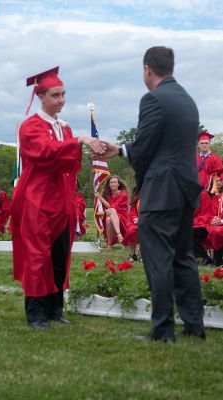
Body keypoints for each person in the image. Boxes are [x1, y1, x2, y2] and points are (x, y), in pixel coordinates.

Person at [98, 46, 205, 341]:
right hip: (185, 190)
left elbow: (144, 147)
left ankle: (162, 329)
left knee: (157, 258)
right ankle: (194, 327)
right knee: (183, 257)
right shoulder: (187, 100)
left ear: (147, 69)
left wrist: (119, 150)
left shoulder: (153, 99)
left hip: (162, 191)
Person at [12, 66, 105, 330]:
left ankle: (55, 309)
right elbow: (43, 153)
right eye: (55, 95)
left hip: (62, 200)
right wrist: (78, 142)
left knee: (59, 254)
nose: (61, 100)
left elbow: (67, 163)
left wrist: (80, 143)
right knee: (37, 255)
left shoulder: (64, 128)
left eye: (63, 94)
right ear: (41, 96)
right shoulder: (30, 126)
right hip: (37, 199)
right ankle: (36, 313)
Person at [194, 172, 223, 267]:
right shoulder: (208, 196)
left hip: (217, 226)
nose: (218, 183)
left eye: (221, 181)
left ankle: (217, 261)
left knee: (217, 232)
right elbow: (200, 212)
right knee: (189, 232)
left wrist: (221, 221)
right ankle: (205, 258)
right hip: (206, 224)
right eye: (216, 181)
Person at [95, 175, 129, 250]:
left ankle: (113, 240)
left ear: (118, 184)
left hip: (123, 216)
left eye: (115, 182)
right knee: (108, 219)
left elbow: (113, 207)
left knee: (111, 212)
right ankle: (112, 241)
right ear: (109, 184)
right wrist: (105, 209)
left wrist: (100, 197)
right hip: (111, 216)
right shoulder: (107, 194)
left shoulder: (123, 194)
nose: (113, 184)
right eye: (111, 182)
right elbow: (104, 207)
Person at [122, 189, 140, 262]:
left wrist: (142, 219)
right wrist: (136, 218)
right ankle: (133, 255)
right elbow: (133, 210)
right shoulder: (136, 195)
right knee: (131, 231)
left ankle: (144, 254)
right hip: (135, 220)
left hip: (149, 220)